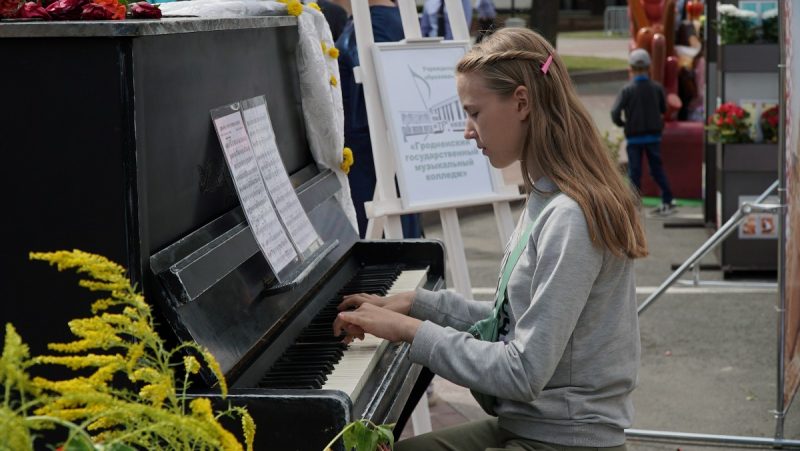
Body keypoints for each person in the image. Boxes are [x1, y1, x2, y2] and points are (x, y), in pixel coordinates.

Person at [333, 27, 647, 450]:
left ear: (521, 102)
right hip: (532, 426)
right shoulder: (547, 196)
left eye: (475, 113)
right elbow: (516, 322)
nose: (467, 130)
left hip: (565, 440)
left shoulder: (570, 217)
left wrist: (409, 330)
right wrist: (417, 304)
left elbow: (523, 372)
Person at [335, 0, 423, 238]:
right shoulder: (373, 19)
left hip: (372, 162)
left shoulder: (377, 23)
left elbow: (379, 103)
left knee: (386, 239)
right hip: (370, 158)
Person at [611, 48, 676, 216]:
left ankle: (634, 204)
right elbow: (663, 108)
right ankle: (668, 200)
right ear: (649, 68)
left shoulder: (627, 90)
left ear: (631, 69)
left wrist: (622, 123)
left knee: (634, 172)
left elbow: (615, 113)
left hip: (634, 137)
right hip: (653, 136)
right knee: (656, 169)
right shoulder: (657, 88)